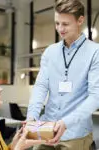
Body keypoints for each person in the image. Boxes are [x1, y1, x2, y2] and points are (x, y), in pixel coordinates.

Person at [27, 0, 99, 149]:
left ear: (80, 20)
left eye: (65, 24)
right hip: (46, 130)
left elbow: (96, 96)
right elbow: (41, 86)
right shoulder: (50, 52)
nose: (60, 29)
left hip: (75, 134)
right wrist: (32, 116)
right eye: (57, 23)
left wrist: (66, 123)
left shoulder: (95, 52)